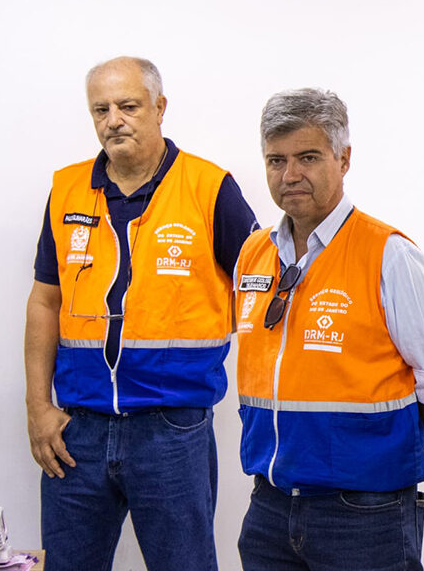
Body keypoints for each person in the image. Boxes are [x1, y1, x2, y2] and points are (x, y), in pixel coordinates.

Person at [23, 56, 258, 571]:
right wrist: (38, 408)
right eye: (100, 109)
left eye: (128, 106)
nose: (114, 120)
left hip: (172, 431)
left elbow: (260, 296)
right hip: (76, 432)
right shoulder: (66, 189)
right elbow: (45, 300)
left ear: (159, 107)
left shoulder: (209, 188)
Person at [233, 87, 424, 570]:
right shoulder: (253, 254)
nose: (290, 175)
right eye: (276, 160)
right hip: (270, 508)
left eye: (308, 157)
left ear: (343, 160)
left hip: (365, 512)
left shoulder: (390, 255)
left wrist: (372, 456)